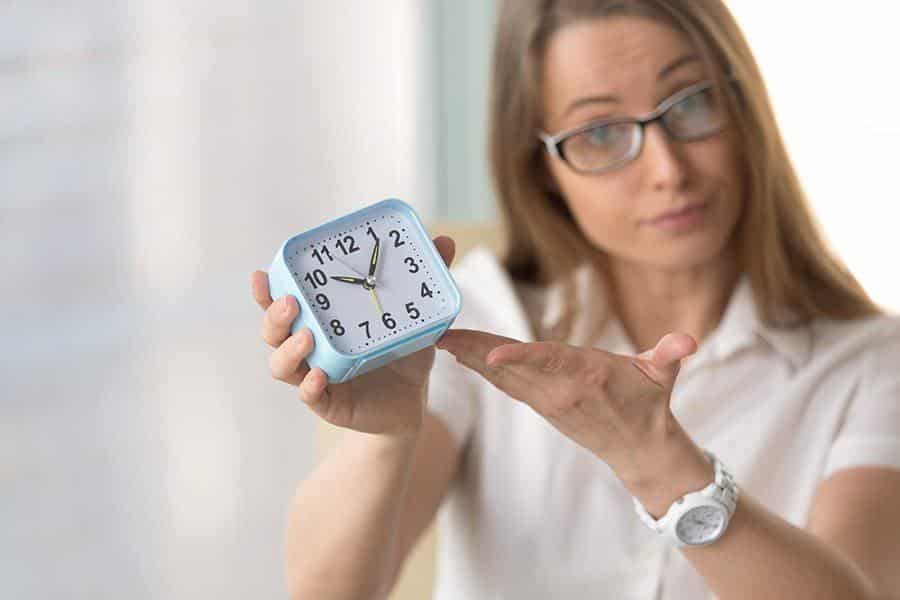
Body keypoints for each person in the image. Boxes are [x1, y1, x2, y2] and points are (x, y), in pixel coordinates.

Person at [251, 1, 900, 598]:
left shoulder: (871, 361)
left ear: (746, 106)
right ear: (543, 171)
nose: (668, 170)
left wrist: (659, 464)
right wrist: (388, 437)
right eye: (599, 133)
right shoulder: (476, 321)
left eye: (692, 103)